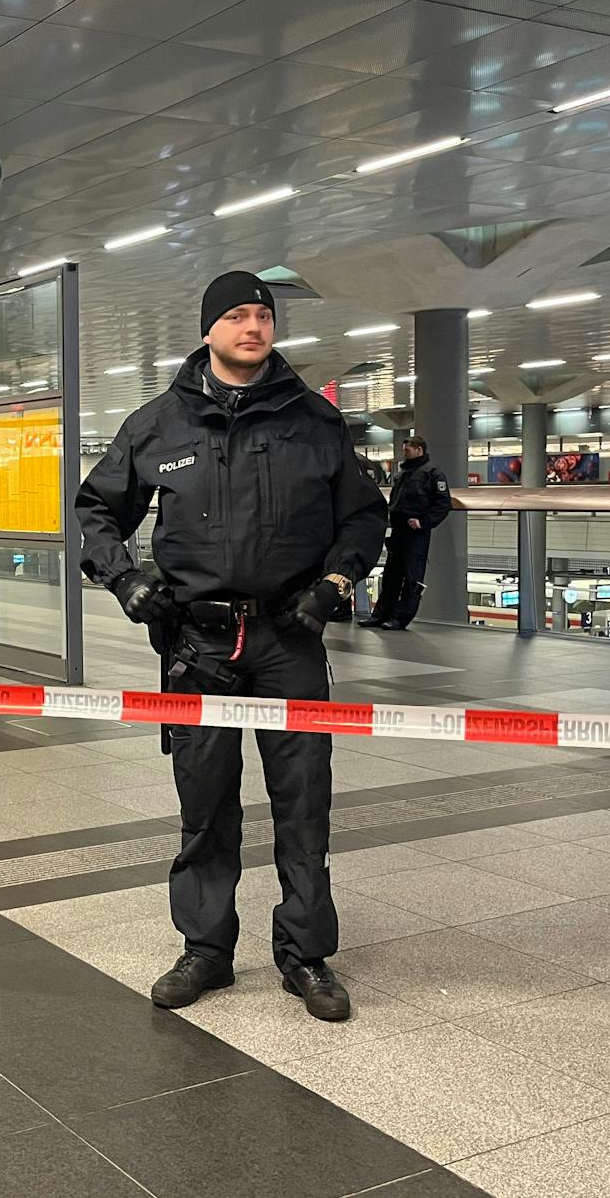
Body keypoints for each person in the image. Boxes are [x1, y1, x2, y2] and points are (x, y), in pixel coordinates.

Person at [76, 270, 387, 1023]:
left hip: (289, 637)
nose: (254, 326)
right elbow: (94, 510)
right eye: (238, 316)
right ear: (210, 330)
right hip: (199, 644)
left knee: (303, 800)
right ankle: (206, 949)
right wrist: (126, 582)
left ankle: (306, 954)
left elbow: (364, 519)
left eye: (263, 315)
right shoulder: (159, 424)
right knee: (205, 800)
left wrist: (336, 585)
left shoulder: (314, 422)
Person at [357, 435, 452, 630]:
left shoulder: (432, 473)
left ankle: (401, 618)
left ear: (419, 450)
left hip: (415, 534)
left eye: (408, 449)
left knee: (411, 578)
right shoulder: (403, 474)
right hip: (398, 531)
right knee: (391, 575)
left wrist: (424, 523)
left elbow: (443, 503)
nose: (405, 453)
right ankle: (381, 615)